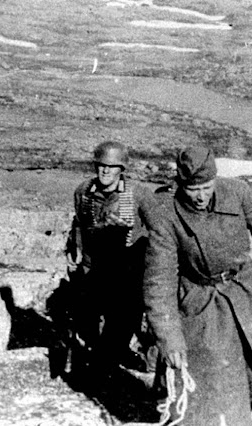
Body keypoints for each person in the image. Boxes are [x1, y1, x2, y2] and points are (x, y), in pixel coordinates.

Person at [142, 146, 252, 426]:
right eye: (192, 189)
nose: (200, 196)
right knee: (212, 384)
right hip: (201, 302)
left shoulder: (238, 193)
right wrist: (169, 338)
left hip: (246, 290)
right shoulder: (165, 215)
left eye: (206, 187)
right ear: (180, 185)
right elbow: (160, 282)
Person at [62, 141, 159, 382]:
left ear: (121, 169)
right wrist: (77, 257)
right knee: (88, 317)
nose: (105, 171)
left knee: (124, 318)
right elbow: (80, 226)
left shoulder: (137, 194)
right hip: (96, 263)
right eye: (101, 165)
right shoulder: (84, 192)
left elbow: (159, 230)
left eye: (112, 166)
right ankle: (100, 360)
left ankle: (109, 364)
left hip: (129, 267)